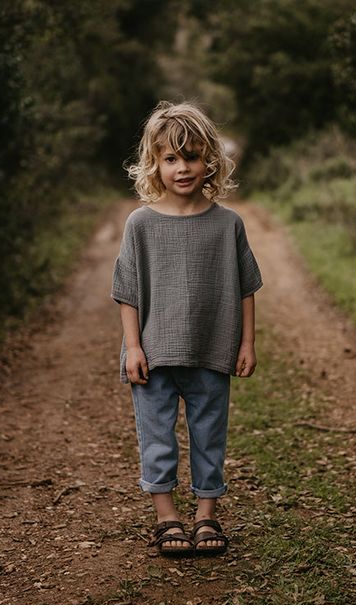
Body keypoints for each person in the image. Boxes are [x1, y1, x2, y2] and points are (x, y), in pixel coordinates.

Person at [111, 101, 263, 557]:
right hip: (153, 357)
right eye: (171, 158)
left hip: (211, 352)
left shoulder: (227, 224)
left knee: (209, 435)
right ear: (154, 164)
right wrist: (133, 347)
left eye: (192, 156)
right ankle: (166, 518)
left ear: (210, 160)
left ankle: (206, 516)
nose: (183, 168)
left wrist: (247, 343)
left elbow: (245, 288)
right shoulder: (140, 224)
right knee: (156, 438)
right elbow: (127, 292)